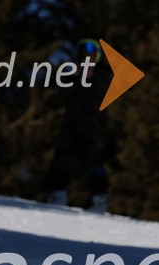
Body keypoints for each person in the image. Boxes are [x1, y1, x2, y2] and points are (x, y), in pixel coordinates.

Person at [44, 39, 112, 211]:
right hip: (72, 123)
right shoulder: (72, 73)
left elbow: (105, 91)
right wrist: (75, 76)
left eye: (90, 54)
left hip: (95, 125)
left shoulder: (103, 74)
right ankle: (59, 195)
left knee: (95, 161)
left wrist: (91, 76)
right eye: (83, 54)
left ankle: (99, 200)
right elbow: (62, 93)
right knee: (62, 159)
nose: (86, 58)